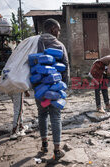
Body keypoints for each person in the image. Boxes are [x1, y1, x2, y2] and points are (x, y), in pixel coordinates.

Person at [35, 18, 69, 160]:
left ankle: (44, 145)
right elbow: (65, 66)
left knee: (42, 114)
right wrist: (64, 86)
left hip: (39, 88)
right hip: (55, 88)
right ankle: (56, 150)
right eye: (59, 29)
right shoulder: (59, 45)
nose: (59, 32)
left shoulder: (34, 42)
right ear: (53, 29)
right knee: (55, 116)